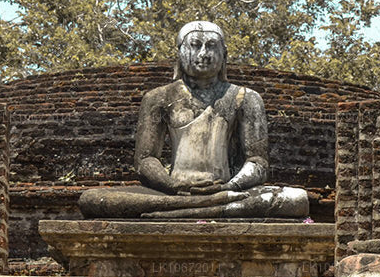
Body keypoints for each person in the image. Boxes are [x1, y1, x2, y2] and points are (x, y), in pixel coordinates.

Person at [77, 20, 308, 219]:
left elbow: (258, 162)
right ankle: (197, 207)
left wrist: (229, 186)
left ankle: (191, 209)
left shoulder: (245, 98)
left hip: (227, 190)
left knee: (295, 199)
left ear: (224, 55)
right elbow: (146, 160)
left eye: (211, 47)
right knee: (92, 199)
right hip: (174, 191)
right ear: (179, 53)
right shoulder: (157, 98)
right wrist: (174, 185)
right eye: (195, 46)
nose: (203, 54)